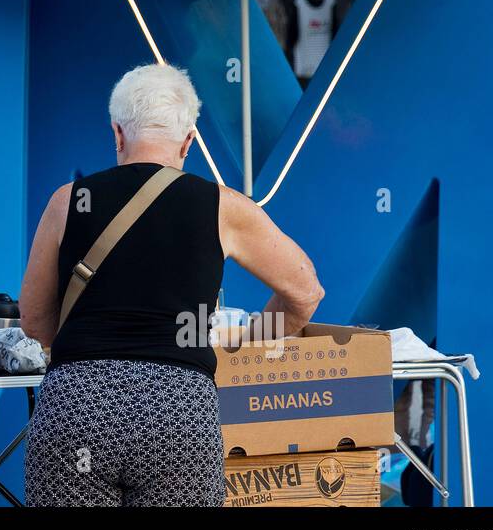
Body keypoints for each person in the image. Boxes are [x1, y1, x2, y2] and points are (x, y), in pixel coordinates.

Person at [19, 62, 324, 506]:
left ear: (118, 134)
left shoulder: (68, 202)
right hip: (177, 414)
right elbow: (306, 293)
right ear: (188, 141)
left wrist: (85, 352)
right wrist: (249, 338)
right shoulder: (223, 206)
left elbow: (34, 318)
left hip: (76, 409)